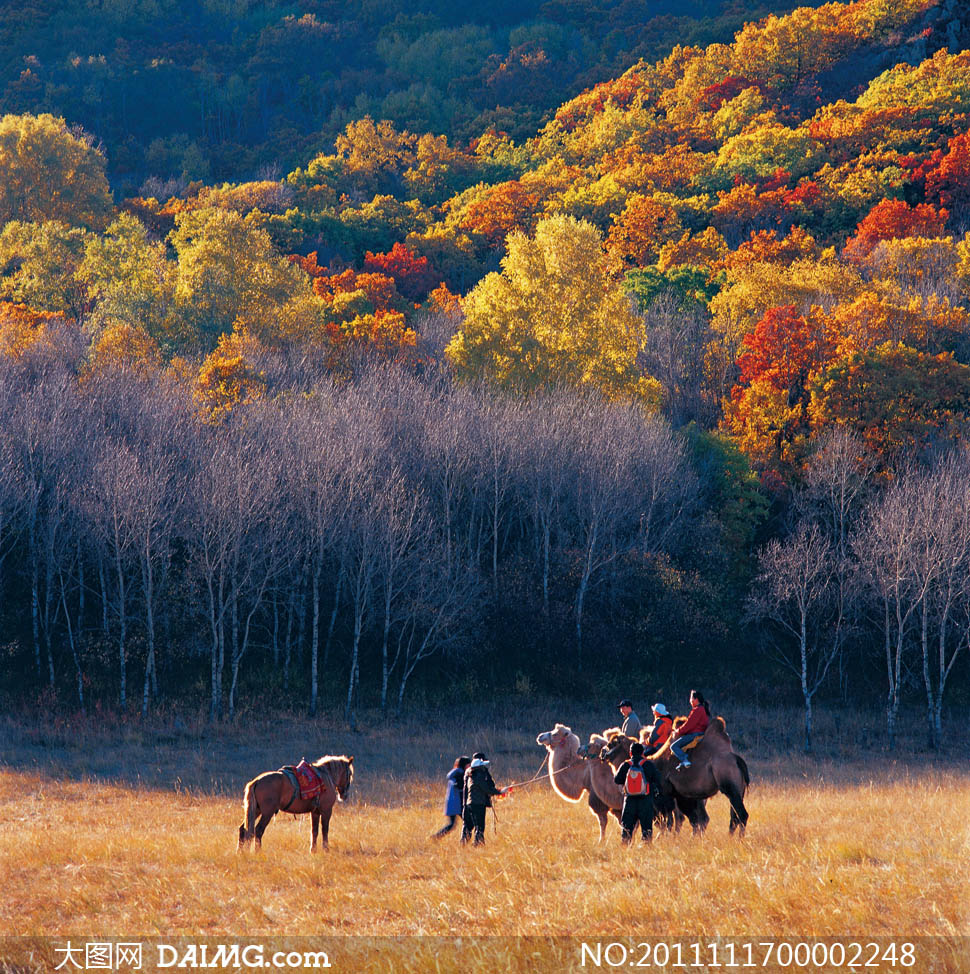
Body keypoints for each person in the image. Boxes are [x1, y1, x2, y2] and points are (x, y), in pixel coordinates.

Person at [613, 741, 662, 843]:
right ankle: (646, 850)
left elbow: (617, 780)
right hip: (645, 801)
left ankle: (625, 851)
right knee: (646, 830)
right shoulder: (648, 764)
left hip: (629, 801)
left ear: (630, 753)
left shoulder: (626, 765)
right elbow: (658, 779)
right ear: (642, 753)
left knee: (626, 830)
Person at [461, 752, 507, 846]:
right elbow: (487, 787)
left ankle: (464, 844)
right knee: (479, 826)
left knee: (469, 826)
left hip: (469, 803)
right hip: (477, 803)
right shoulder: (479, 775)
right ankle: (478, 845)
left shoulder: (470, 773)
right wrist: (499, 791)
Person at [670, 689, 711, 770]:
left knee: (674, 746)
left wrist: (678, 731)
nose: (690, 701)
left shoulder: (697, 710)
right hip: (701, 733)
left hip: (695, 734)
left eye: (691, 699)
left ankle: (685, 760)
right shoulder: (703, 709)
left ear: (696, 699)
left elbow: (689, 725)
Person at [433, 755, 471, 838]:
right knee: (468, 823)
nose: (470, 766)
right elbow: (461, 788)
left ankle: (436, 837)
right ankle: (465, 842)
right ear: (464, 765)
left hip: (452, 804)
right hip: (458, 804)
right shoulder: (460, 774)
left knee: (452, 825)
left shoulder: (455, 774)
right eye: (469, 764)